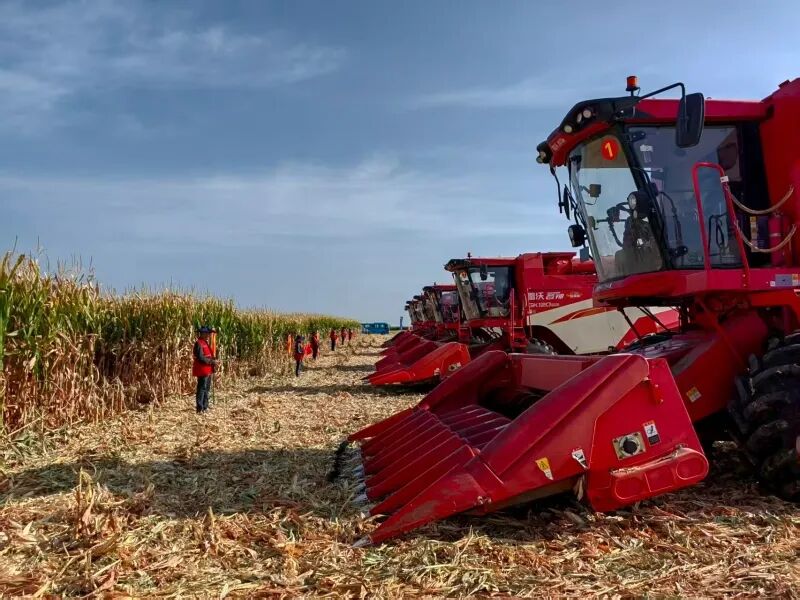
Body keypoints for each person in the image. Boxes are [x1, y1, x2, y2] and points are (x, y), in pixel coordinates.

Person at [192, 325, 218, 413]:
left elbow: (208, 355)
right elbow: (200, 357)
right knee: (202, 388)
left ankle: (205, 407)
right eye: (206, 334)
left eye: (208, 334)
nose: (208, 335)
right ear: (202, 334)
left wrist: (213, 362)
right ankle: (200, 408)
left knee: (207, 389)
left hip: (208, 369)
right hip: (202, 369)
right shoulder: (198, 343)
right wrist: (211, 362)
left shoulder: (205, 342)